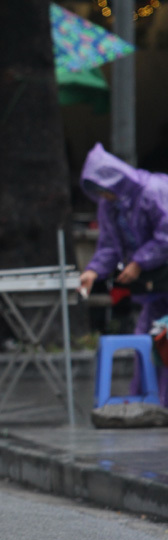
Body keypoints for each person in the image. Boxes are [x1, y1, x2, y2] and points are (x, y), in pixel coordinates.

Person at [78, 142, 168, 406]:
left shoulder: (154, 191)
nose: (103, 196)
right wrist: (93, 271)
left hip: (157, 274)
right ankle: (149, 403)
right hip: (155, 287)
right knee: (148, 340)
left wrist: (139, 262)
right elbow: (109, 244)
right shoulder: (111, 206)